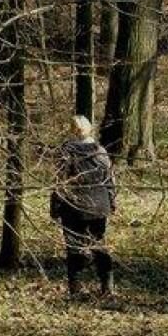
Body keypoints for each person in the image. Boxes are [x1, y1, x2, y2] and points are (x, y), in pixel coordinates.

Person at [50, 115, 117, 297]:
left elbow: (59, 183)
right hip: (98, 205)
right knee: (99, 244)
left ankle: (75, 288)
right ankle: (107, 286)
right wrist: (111, 203)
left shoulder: (66, 152)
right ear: (90, 129)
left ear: (71, 130)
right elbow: (109, 181)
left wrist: (55, 208)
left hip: (74, 206)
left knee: (73, 247)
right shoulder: (101, 152)